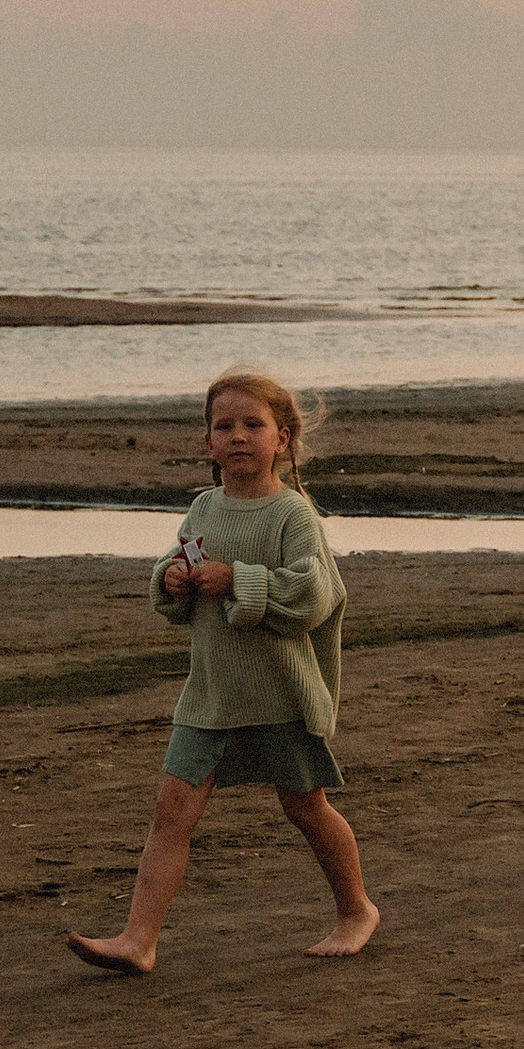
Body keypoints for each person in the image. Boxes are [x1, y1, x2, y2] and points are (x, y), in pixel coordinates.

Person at [64, 369, 380, 974]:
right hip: (210, 697)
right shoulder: (204, 507)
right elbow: (177, 576)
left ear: (282, 439)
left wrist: (240, 579)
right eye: (224, 426)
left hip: (279, 696)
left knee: (306, 807)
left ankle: (356, 908)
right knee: (171, 811)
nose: (238, 436)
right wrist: (174, 579)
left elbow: (315, 595)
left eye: (253, 425)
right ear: (207, 443)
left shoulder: (293, 515)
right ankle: (138, 940)